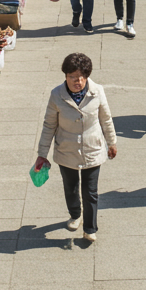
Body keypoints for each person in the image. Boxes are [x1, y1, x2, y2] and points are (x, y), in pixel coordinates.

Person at [35, 53, 118, 243]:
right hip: (66, 149)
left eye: (81, 77)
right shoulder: (57, 95)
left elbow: (106, 119)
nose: (77, 81)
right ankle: (75, 215)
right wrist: (42, 154)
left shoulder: (97, 91)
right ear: (65, 76)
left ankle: (90, 228)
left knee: (91, 192)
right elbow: (49, 125)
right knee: (71, 188)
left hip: (92, 149)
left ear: (87, 76)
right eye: (72, 77)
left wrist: (111, 142)